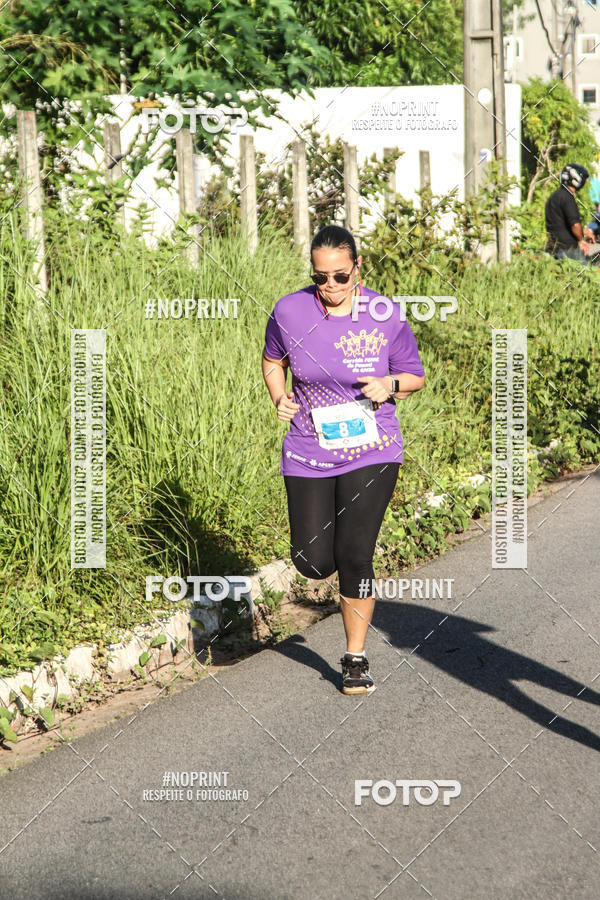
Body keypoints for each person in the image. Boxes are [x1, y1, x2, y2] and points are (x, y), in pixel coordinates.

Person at [261, 225, 426, 695]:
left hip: (372, 447)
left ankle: (354, 657)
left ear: (358, 267)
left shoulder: (384, 313)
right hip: (308, 447)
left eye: (340, 276)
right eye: (321, 278)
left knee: (355, 554)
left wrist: (389, 386)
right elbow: (274, 360)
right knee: (313, 562)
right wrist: (279, 397)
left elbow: (415, 375)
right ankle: (331, 555)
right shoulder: (290, 311)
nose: (330, 287)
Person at [544, 163, 600, 264]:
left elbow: (562, 225)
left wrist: (585, 231)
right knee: (584, 277)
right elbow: (575, 225)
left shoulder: (555, 196)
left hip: (554, 247)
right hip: (568, 249)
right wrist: (581, 240)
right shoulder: (568, 198)